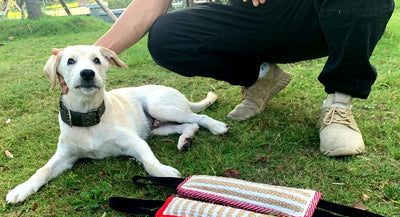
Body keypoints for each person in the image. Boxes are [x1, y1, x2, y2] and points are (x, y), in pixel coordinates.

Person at [95, 0, 394, 156]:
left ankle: (339, 102)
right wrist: (91, 56)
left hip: (316, 14)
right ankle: (261, 77)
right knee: (166, 37)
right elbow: (149, 5)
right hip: (252, 21)